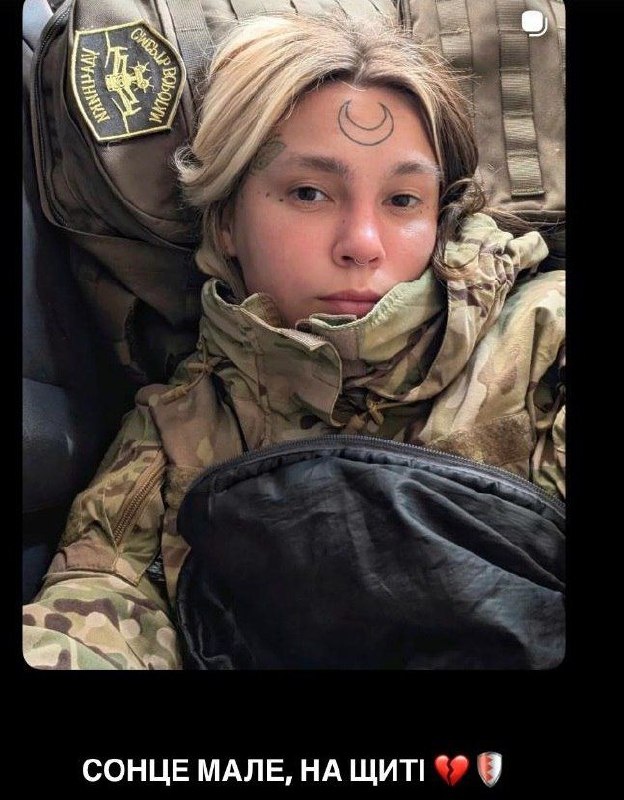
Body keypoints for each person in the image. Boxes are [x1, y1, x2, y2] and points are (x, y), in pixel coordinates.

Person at [23, 12, 565, 670]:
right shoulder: (176, 433)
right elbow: (96, 610)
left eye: (402, 200)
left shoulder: (545, 345)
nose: (362, 244)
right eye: (309, 193)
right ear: (227, 220)